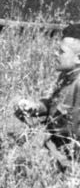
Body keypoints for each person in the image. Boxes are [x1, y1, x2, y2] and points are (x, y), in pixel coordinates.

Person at [15, 24, 80, 167]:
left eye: (61, 51)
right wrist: (35, 107)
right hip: (52, 146)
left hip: (66, 158)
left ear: (78, 58)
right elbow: (54, 105)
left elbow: (73, 135)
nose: (56, 54)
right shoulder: (66, 75)